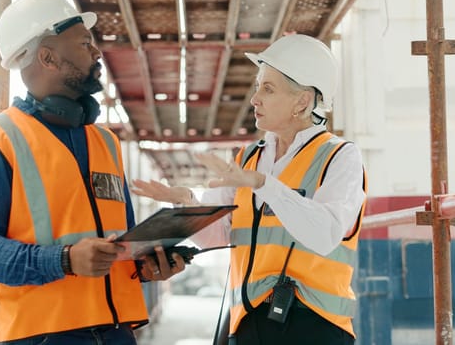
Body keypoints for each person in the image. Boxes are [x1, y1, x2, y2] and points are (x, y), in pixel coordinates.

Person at [0, 0, 185, 343]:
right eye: (84, 43)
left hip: (117, 332)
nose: (96, 53)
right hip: (43, 335)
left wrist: (148, 262)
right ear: (48, 57)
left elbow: (121, 237)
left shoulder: (106, 142)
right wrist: (63, 260)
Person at [132, 34, 367, 344]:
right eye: (258, 87)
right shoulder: (250, 157)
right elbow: (217, 235)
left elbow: (325, 234)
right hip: (248, 323)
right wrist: (186, 202)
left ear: (303, 101)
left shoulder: (339, 157)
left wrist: (263, 184)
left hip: (313, 327)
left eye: (267, 89)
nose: (255, 99)